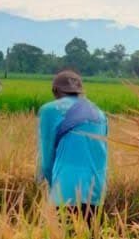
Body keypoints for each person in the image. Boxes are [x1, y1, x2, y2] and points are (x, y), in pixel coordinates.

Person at [36, 69, 107, 222]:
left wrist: (50, 183)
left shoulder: (50, 110)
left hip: (66, 188)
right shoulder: (99, 113)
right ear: (80, 91)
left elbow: (47, 155)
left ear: (55, 90)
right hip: (96, 188)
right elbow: (102, 151)